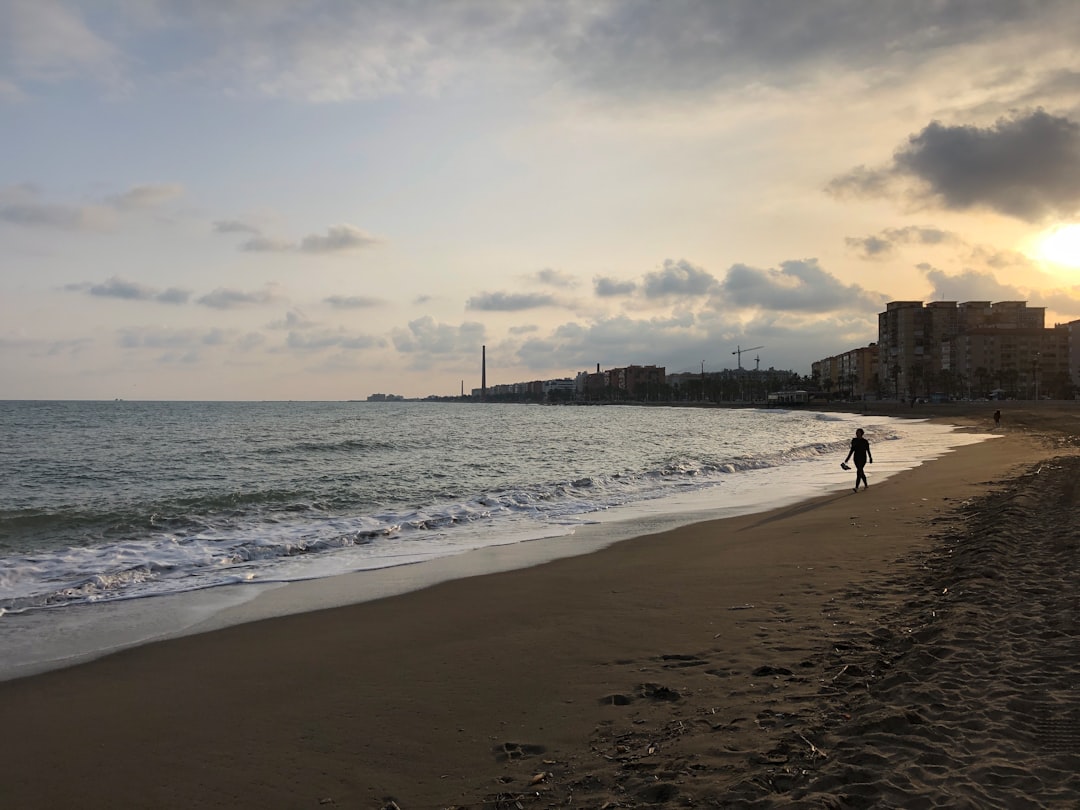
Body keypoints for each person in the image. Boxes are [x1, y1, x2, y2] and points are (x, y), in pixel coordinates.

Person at [843, 428, 873, 492]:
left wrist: (870, 457)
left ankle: (856, 487)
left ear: (861, 433)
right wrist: (847, 458)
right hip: (856, 458)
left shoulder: (865, 441)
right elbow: (852, 450)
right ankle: (866, 485)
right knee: (860, 472)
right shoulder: (854, 441)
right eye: (856, 432)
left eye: (858, 432)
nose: (857, 433)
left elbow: (868, 450)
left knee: (859, 471)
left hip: (863, 458)